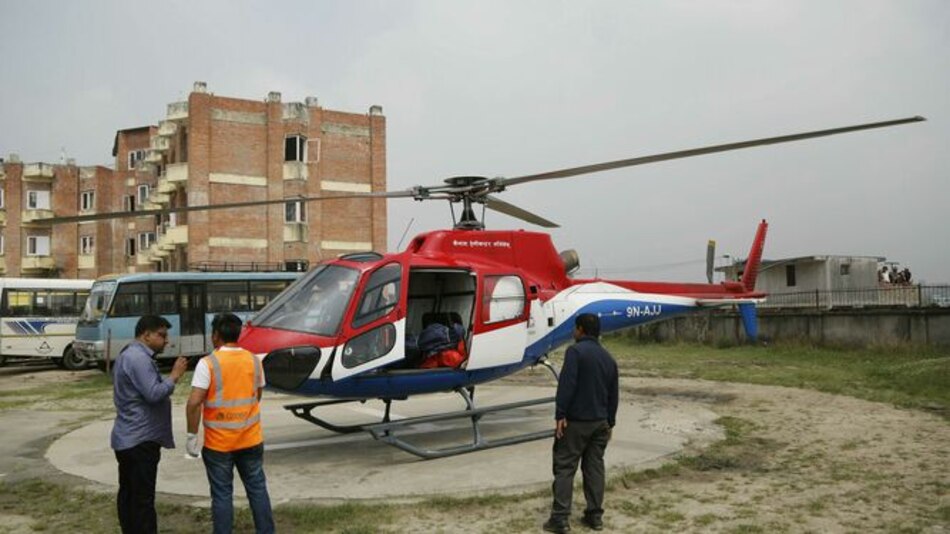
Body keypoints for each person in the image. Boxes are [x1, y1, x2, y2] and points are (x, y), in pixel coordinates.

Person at [186, 313, 275, 534]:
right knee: (257, 490)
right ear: (239, 333)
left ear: (215, 335)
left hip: (219, 445)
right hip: (251, 440)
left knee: (222, 495)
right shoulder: (254, 360)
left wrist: (191, 436)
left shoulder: (207, 363)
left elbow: (194, 402)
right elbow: (257, 394)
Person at [111, 315, 188, 534]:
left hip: (129, 438)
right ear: (146, 335)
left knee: (130, 495)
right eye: (161, 335)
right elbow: (154, 394)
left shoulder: (131, 354)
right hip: (140, 440)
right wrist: (174, 376)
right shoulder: (138, 358)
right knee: (142, 500)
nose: (166, 341)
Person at [544, 313, 619, 534]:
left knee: (565, 467)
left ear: (580, 330)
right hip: (600, 423)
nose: (573, 333)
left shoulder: (575, 352)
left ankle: (560, 519)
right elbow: (613, 394)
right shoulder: (608, 358)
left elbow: (567, 386)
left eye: (575, 329)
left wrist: (560, 415)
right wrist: (611, 422)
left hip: (576, 423)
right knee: (595, 468)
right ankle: (595, 516)